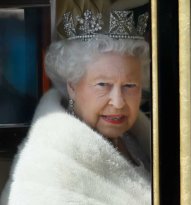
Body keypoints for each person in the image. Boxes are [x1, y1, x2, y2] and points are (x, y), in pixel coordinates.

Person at [0, 0, 151, 204]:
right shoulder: (46, 168)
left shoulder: (139, 140)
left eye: (129, 86)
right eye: (103, 84)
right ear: (72, 85)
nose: (118, 102)